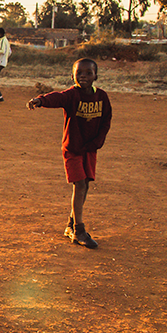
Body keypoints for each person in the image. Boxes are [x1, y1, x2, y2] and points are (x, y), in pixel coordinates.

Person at [26, 58, 112, 249]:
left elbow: (106, 121)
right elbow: (57, 97)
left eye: (88, 73)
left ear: (96, 75)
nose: (84, 76)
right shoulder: (72, 95)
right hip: (73, 148)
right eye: (79, 73)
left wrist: (97, 142)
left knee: (86, 185)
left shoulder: (102, 97)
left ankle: (71, 225)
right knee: (79, 184)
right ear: (72, 76)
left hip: (90, 149)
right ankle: (79, 231)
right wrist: (41, 100)